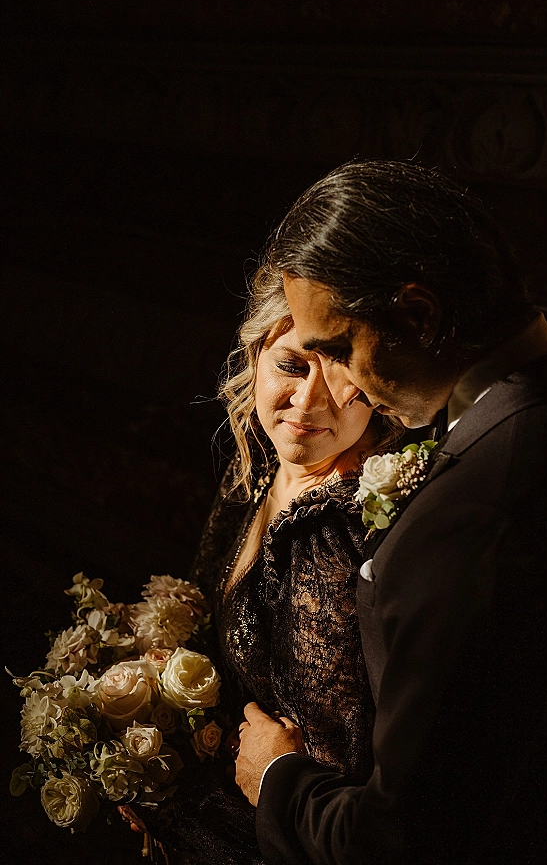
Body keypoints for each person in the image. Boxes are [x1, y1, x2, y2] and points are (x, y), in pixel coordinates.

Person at [235, 160, 547, 864]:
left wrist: (277, 777)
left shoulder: (467, 516)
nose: (334, 388)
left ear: (418, 314)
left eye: (338, 350)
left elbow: (401, 836)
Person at [126, 265, 394, 864]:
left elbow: (330, 767)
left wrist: (172, 802)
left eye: (342, 372)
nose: (307, 403)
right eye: (292, 366)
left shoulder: (341, 534)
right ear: (255, 358)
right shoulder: (256, 466)